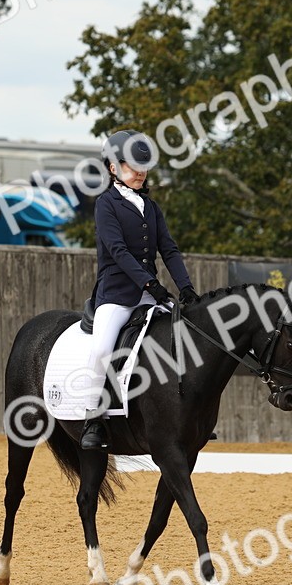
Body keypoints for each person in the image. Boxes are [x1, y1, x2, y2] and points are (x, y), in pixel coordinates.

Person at [80, 130, 199, 450]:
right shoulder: (106, 204)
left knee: (182, 341)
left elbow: (169, 250)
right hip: (117, 294)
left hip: (151, 293)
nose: (139, 172)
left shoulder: (151, 206)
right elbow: (118, 251)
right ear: (112, 168)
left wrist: (185, 287)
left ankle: (185, 417)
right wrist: (151, 284)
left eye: (142, 166)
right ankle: (93, 418)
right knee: (103, 349)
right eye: (131, 166)